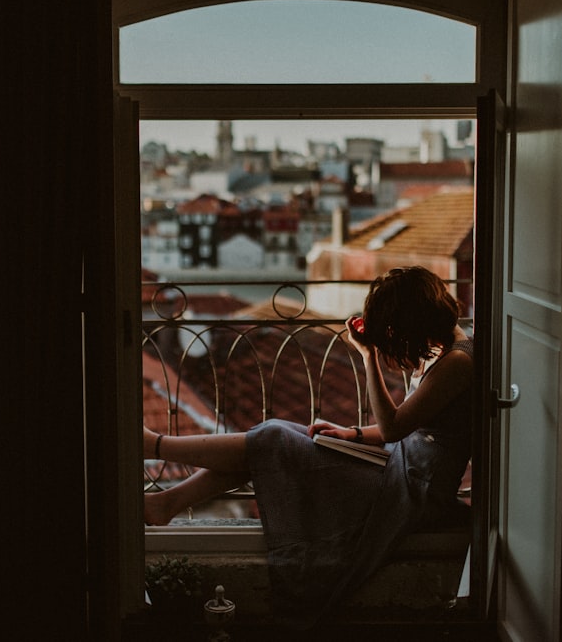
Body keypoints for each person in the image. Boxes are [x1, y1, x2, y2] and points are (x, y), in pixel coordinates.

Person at [143, 266, 476, 629]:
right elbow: (404, 426)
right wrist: (351, 434)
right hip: (396, 467)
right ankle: (166, 502)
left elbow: (394, 426)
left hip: (409, 493)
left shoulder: (457, 362)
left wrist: (367, 357)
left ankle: (159, 448)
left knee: (274, 439)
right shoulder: (446, 345)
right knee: (279, 439)